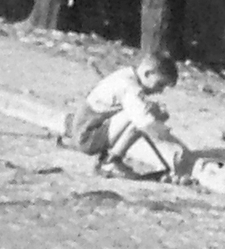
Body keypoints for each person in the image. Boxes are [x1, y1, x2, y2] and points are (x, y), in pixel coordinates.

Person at [68, 52, 192, 180]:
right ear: (148, 73)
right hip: (87, 136)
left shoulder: (128, 74)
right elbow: (146, 124)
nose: (160, 91)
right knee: (141, 117)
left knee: (146, 111)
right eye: (160, 84)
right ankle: (111, 161)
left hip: (85, 127)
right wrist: (179, 150)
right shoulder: (130, 87)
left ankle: (109, 159)